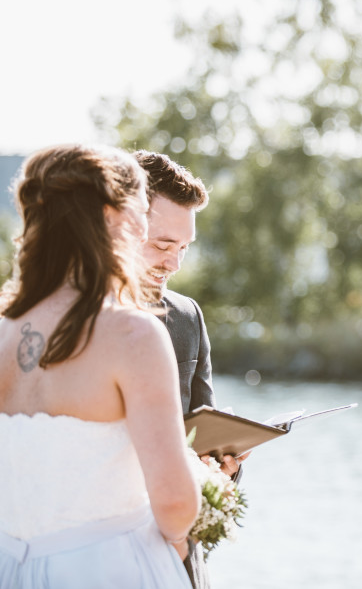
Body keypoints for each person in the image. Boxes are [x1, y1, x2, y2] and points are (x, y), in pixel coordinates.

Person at [0, 144, 199, 588]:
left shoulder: (4, 329)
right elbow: (174, 501)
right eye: (139, 210)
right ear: (113, 216)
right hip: (110, 568)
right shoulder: (132, 335)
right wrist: (179, 540)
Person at [134, 150, 241, 589]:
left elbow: (201, 423)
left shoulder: (187, 316)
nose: (174, 264)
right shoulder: (63, 322)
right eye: (162, 245)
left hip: (180, 561)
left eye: (183, 248)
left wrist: (225, 465)